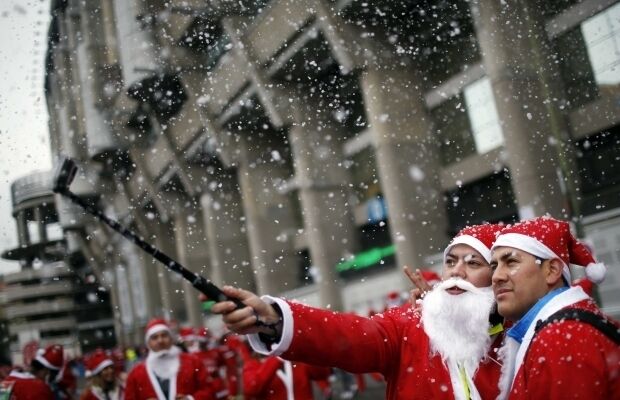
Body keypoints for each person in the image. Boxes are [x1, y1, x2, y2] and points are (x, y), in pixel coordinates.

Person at [212, 223, 506, 400]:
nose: (457, 272)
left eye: (473, 263)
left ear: (499, 275)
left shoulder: (519, 334)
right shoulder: (411, 325)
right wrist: (275, 318)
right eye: (451, 261)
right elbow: (351, 335)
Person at [490, 216, 620, 399]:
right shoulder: (560, 330)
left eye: (511, 262)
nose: (496, 276)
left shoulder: (562, 336)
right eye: (494, 266)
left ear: (552, 271)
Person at [124, 318, 216, 400]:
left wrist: (190, 398)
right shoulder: (136, 374)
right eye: (154, 337)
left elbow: (209, 390)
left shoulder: (192, 362)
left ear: (171, 338)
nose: (160, 341)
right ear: (148, 343)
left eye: (164, 335)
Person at [242, 352, 332, 400]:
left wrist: (309, 350)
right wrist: (276, 358)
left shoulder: (295, 359)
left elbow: (322, 374)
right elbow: (252, 388)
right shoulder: (253, 364)